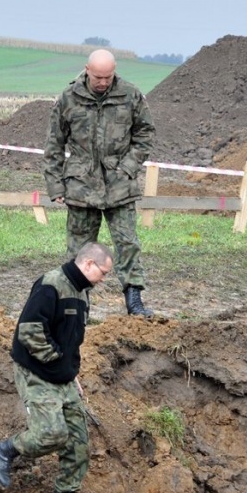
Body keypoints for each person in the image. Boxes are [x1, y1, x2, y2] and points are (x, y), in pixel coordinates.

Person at [0, 242, 114, 493]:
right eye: (104, 273)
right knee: (52, 434)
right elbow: (30, 333)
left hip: (63, 376)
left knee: (78, 443)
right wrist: (58, 363)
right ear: (88, 264)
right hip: (37, 372)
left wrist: (72, 373)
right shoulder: (51, 285)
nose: (105, 279)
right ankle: (6, 450)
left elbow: (72, 339)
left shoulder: (82, 292)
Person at [43, 49, 156, 317]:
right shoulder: (68, 98)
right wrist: (56, 185)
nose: (103, 82)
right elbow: (53, 144)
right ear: (86, 70)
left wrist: (129, 166)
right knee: (80, 249)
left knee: (128, 243)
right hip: (81, 186)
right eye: (98, 77)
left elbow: (145, 134)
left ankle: (134, 300)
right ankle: (78, 305)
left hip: (120, 185)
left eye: (108, 76)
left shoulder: (130, 95)